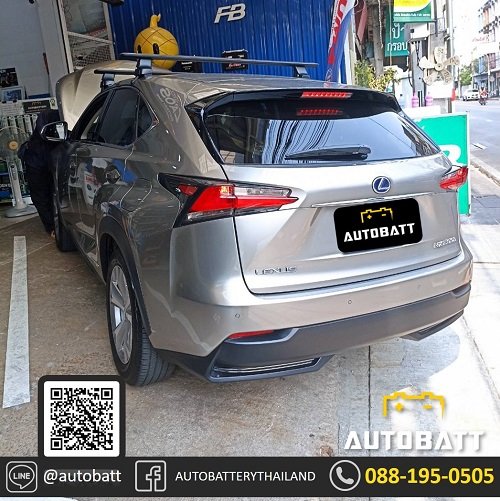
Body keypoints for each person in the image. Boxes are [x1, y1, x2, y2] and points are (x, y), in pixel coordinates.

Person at [18, 109, 60, 236]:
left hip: (38, 163)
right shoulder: (52, 118)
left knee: (43, 196)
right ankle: (52, 227)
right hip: (38, 164)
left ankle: (53, 227)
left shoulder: (47, 118)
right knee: (44, 196)